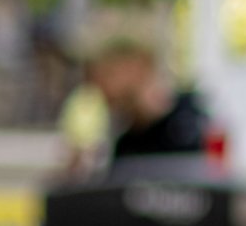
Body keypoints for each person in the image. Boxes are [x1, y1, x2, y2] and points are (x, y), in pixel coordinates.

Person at [85, 37, 214, 174]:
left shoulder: (192, 121)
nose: (100, 87)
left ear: (138, 65)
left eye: (109, 73)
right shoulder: (126, 146)